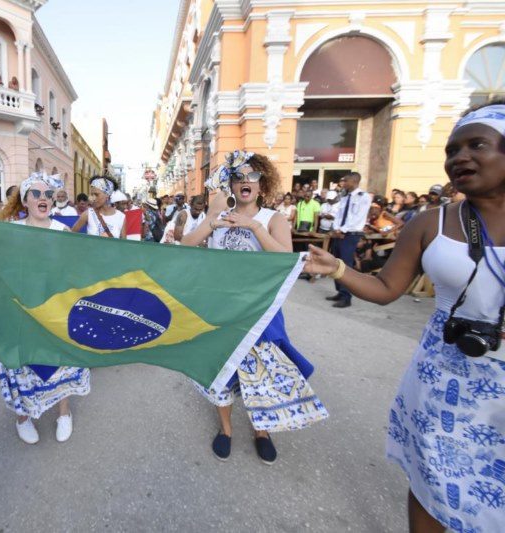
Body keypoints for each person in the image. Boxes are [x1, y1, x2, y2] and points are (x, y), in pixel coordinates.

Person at [304, 100, 505, 533]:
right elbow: (385, 289)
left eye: (476, 145)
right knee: (434, 481)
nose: (459, 158)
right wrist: (337, 268)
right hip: (444, 383)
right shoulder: (431, 223)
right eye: (452, 150)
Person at [181, 149, 328, 463]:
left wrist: (254, 228)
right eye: (238, 177)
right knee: (221, 371)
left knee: (259, 375)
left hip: (260, 312)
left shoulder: (272, 219)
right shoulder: (217, 216)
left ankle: (263, 430)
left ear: (263, 184)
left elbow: (288, 262)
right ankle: (226, 430)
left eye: (252, 176)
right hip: (219, 309)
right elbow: (186, 246)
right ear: (232, 185)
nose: (245, 181)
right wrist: (211, 221)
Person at [0, 172, 90, 443]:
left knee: (60, 361)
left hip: (56, 311)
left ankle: (63, 413)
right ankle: (22, 417)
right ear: (24, 200)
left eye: (48, 194)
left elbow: (76, 270)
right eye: (35, 194)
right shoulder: (11, 232)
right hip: (20, 312)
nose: (43, 198)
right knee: (21, 365)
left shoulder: (62, 232)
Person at [325, 172, 372, 308]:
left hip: (351, 234)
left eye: (346, 181)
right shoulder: (344, 196)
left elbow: (358, 217)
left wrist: (343, 230)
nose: (343, 183)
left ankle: (347, 296)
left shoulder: (363, 197)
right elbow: (339, 214)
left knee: (346, 265)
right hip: (339, 233)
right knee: (336, 263)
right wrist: (336, 229)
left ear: (354, 181)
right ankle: (340, 291)